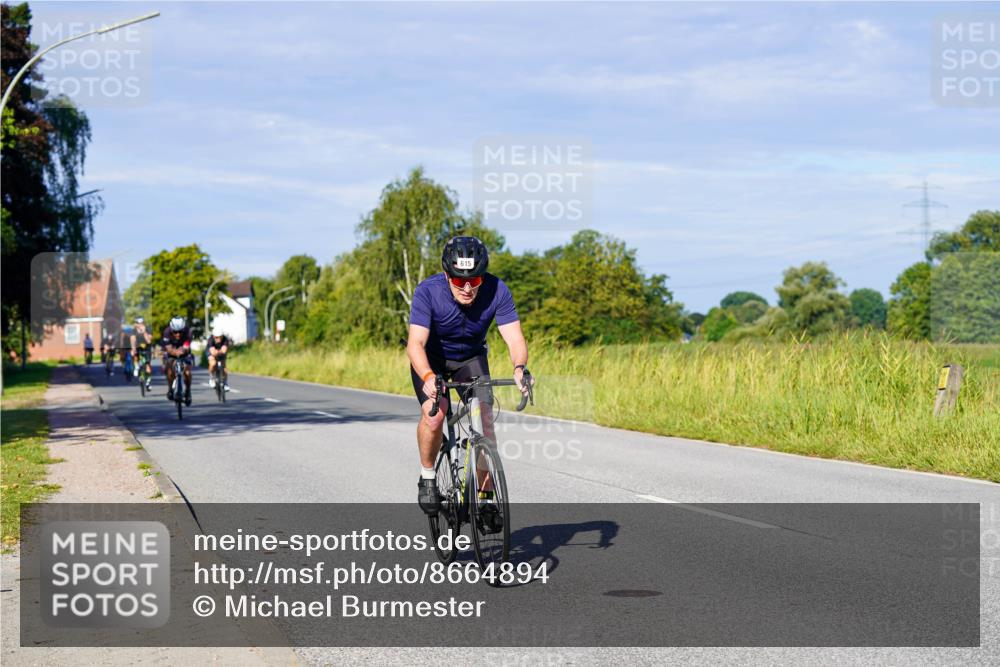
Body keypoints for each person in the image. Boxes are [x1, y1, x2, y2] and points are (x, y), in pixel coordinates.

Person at [406, 236, 532, 518]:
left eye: (474, 281)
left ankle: (485, 499)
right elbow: (415, 344)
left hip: (471, 359)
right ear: (446, 274)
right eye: (459, 280)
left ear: (482, 277)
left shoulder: (497, 290)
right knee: (435, 415)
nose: (466, 288)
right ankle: (427, 476)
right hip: (433, 360)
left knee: (484, 424)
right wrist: (427, 376)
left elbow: (514, 338)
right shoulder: (428, 291)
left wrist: (519, 367)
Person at [161, 316, 193, 406]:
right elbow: (168, 348)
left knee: (187, 372)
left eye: (180, 332)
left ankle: (188, 390)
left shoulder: (188, 332)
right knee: (169, 370)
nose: (178, 334)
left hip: (184, 352)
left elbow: (186, 347)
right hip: (172, 351)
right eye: (175, 332)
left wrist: (183, 351)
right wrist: (175, 352)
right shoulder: (167, 332)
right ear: (171, 330)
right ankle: (170, 389)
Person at [130, 317, 154, 391]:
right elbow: (132, 339)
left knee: (148, 365)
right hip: (138, 347)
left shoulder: (148, 329)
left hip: (147, 348)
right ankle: (136, 366)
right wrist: (133, 349)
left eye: (140, 323)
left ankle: (148, 382)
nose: (139, 325)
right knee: (134, 353)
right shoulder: (134, 331)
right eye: (137, 323)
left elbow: (149, 341)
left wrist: (144, 332)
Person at [205, 326, 230, 392]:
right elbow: (212, 351)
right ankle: (211, 377)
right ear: (213, 336)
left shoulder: (225, 339)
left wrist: (220, 352)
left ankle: (225, 382)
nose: (218, 339)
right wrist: (217, 352)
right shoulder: (210, 340)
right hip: (210, 351)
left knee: (224, 367)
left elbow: (224, 350)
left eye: (220, 337)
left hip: (220, 351)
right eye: (216, 337)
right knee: (213, 363)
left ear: (222, 336)